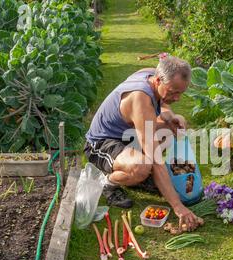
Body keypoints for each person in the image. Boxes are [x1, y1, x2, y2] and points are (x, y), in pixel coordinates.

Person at [84, 55, 200, 231]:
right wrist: (178, 207)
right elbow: (155, 160)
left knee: (174, 126)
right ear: (159, 80)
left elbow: (164, 103)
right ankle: (109, 183)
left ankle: (140, 177)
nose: (177, 98)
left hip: (127, 135)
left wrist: (169, 116)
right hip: (101, 143)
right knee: (143, 166)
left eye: (181, 92)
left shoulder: (152, 74)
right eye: (173, 92)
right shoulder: (140, 100)